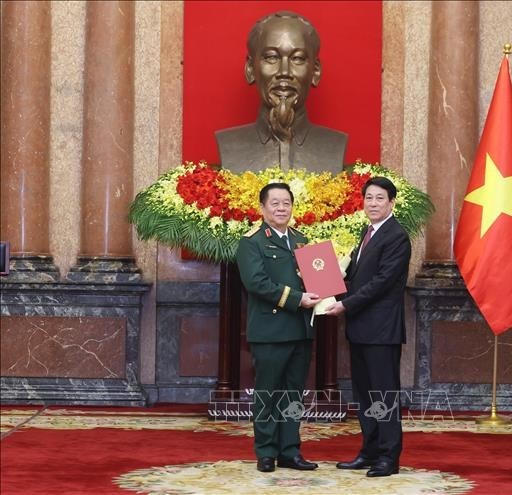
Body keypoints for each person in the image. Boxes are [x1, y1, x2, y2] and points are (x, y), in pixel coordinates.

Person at [326, 177, 411, 477]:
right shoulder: (368, 232)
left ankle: (388, 457)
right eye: (369, 198)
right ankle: (370, 451)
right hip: (361, 328)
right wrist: (326, 282)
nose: (373, 204)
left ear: (392, 202)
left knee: (384, 396)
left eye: (379, 198)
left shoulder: (397, 236)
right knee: (365, 395)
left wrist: (345, 304)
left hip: (382, 331)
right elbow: (356, 276)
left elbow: (381, 283)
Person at [236, 182, 321, 473]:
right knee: (268, 393)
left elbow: (315, 277)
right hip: (270, 330)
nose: (281, 208)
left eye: (286, 203)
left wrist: (326, 290)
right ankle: (266, 452)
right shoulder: (252, 242)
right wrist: (298, 299)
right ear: (262, 208)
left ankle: (290, 451)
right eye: (275, 203)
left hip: (300, 329)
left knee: (294, 394)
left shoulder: (301, 239)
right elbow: (256, 283)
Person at [216, 11, 347, 172]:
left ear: (315, 71)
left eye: (297, 58)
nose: (284, 72)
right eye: (272, 57)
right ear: (250, 69)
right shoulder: (228, 144)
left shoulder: (335, 145)